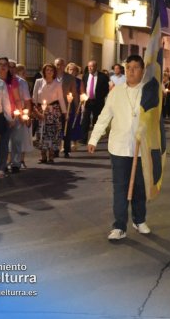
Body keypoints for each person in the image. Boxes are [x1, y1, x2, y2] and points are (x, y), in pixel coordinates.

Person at [88, 55, 151, 240]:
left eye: (135, 67)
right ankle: (119, 226)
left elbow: (155, 121)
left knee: (140, 187)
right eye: (128, 67)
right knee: (120, 188)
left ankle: (139, 220)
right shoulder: (116, 92)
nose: (131, 71)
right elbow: (104, 116)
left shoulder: (148, 93)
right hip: (119, 147)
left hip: (141, 148)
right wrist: (93, 138)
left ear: (142, 71)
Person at [32, 63, 66, 163]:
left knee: (52, 133)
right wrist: (34, 110)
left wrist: (64, 112)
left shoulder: (58, 83)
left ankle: (51, 156)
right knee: (41, 132)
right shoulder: (38, 82)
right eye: (47, 70)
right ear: (44, 71)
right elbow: (34, 97)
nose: (49, 72)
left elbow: (60, 98)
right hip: (41, 110)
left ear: (54, 72)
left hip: (53, 110)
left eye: (51, 70)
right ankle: (43, 156)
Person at [0, 57, 21, 177]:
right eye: (0, 64)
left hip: (9, 115)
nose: (3, 67)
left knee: (4, 142)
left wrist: (17, 114)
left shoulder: (12, 81)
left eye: (5, 64)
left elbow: (17, 99)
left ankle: (2, 166)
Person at [8, 60, 32, 172]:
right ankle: (4, 163)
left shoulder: (21, 82)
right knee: (5, 141)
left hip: (18, 112)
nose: (11, 69)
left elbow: (27, 100)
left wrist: (26, 115)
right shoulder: (0, 81)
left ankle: (16, 163)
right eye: (9, 66)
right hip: (4, 114)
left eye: (13, 67)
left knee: (16, 140)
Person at [81, 60, 109, 145]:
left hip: (98, 102)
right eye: (89, 66)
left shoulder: (103, 77)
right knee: (85, 120)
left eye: (92, 66)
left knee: (96, 121)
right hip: (87, 101)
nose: (90, 68)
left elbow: (106, 89)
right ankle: (83, 139)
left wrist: (100, 97)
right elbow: (83, 87)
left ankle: (95, 139)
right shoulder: (85, 76)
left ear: (96, 67)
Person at [65, 63, 84, 150]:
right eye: (70, 69)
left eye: (74, 70)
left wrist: (82, 101)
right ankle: (64, 143)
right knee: (65, 123)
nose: (72, 71)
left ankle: (74, 142)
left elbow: (82, 93)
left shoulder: (79, 81)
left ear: (77, 71)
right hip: (65, 104)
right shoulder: (63, 80)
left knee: (74, 122)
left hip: (75, 104)